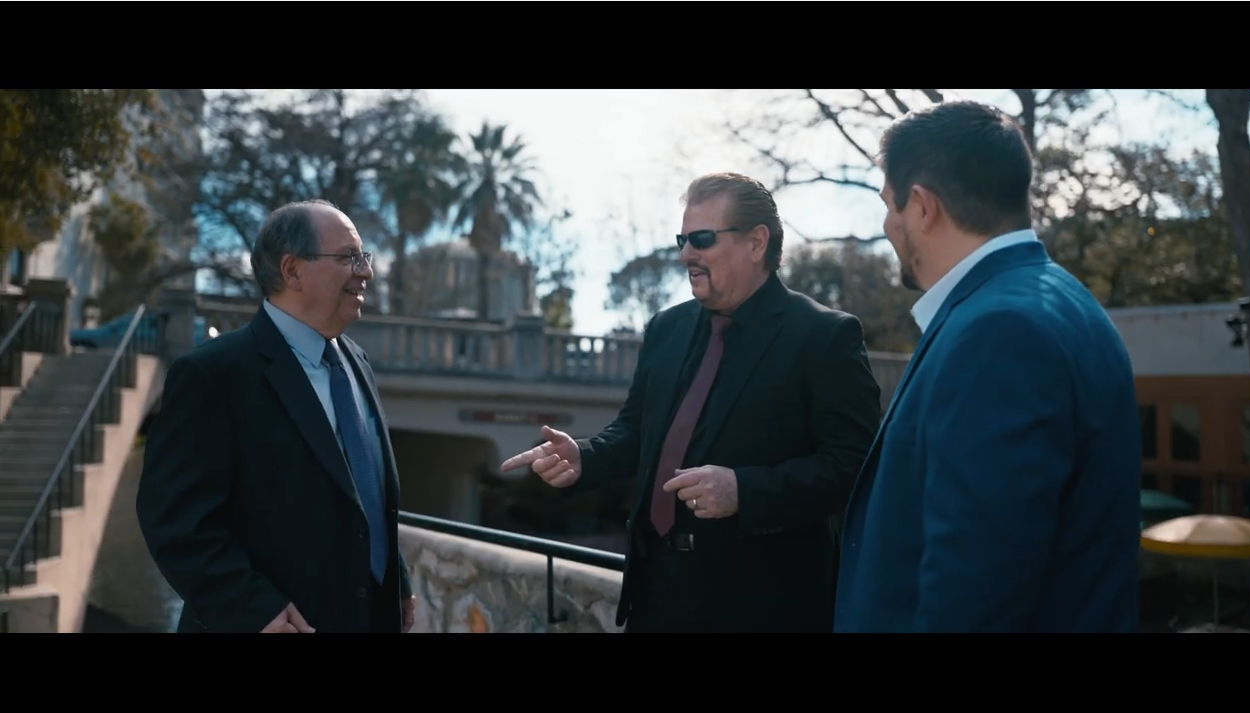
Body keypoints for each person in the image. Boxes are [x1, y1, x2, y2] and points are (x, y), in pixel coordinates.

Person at [501, 172, 882, 632]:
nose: (685, 255)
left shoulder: (825, 337)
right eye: (682, 240)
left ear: (756, 242)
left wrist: (744, 490)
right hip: (655, 596)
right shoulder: (667, 328)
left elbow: (854, 465)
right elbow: (636, 430)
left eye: (701, 239)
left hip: (764, 610)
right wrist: (585, 456)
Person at [832, 101, 1142, 632]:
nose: (887, 225)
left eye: (889, 204)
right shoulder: (1056, 298)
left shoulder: (998, 333)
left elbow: (974, 591)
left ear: (922, 207)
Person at [136, 199, 416, 633]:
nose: (366, 272)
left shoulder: (357, 362)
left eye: (364, 257)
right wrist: (252, 609)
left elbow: (363, 494)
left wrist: (395, 578)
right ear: (292, 271)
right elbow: (175, 520)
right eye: (348, 257)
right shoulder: (213, 375)